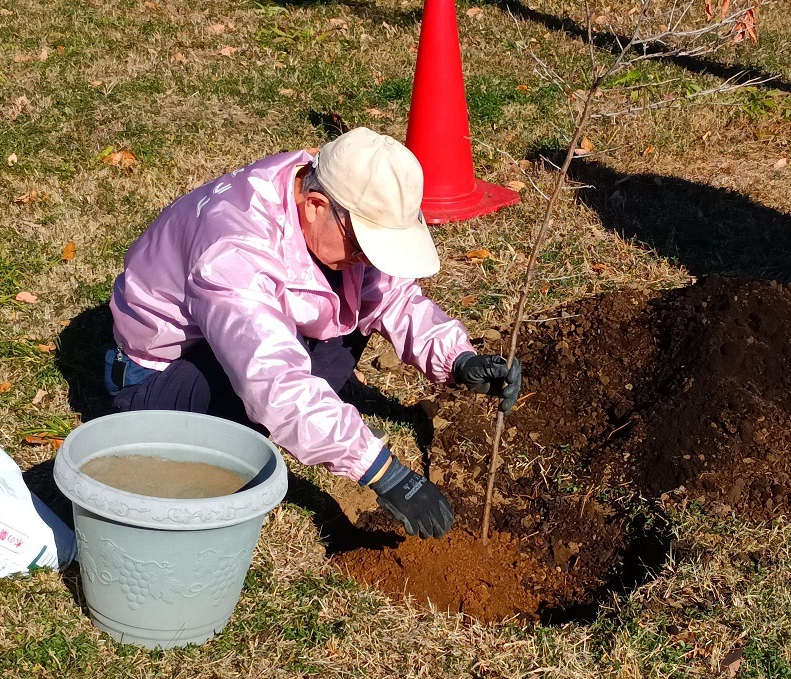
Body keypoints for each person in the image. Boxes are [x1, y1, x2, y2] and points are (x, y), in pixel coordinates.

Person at [104, 127, 521, 540]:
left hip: (227, 341)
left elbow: (389, 294)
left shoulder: (319, 184)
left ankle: (310, 424)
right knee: (291, 384)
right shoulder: (234, 253)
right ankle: (250, 438)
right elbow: (274, 381)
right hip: (157, 382)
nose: (366, 259)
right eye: (361, 246)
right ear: (317, 206)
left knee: (348, 313)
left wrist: (458, 358)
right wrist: (383, 472)